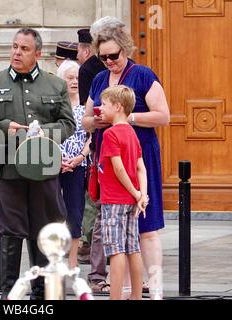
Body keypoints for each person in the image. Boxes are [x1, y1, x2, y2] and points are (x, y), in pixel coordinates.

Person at [0, 28, 75, 299]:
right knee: (10, 230)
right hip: (6, 168)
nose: (16, 52)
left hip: (42, 167)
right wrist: (4, 127)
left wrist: (45, 133)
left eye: (24, 48)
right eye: (14, 46)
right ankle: (9, 293)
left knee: (43, 229)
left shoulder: (55, 84)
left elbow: (68, 124)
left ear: (38, 54)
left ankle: (40, 294)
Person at [82, 17, 170, 299]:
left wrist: (125, 118)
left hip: (138, 155)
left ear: (125, 49)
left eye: (113, 55)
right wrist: (97, 122)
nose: (108, 61)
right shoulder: (98, 79)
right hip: (108, 160)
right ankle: (129, 289)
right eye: (103, 56)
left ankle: (153, 288)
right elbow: (85, 119)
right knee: (118, 232)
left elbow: (163, 116)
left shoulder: (144, 75)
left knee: (146, 224)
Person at [97, 85, 148, 300]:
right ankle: (136, 296)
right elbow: (141, 168)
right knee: (132, 248)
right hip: (131, 200)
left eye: (105, 105)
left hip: (114, 200)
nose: (100, 109)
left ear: (118, 107)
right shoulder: (132, 133)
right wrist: (141, 194)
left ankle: (115, 297)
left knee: (116, 250)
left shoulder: (110, 134)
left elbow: (118, 168)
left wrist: (136, 193)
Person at [77, 26, 109, 286]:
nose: (109, 61)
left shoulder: (88, 68)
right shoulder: (93, 73)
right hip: (99, 148)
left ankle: (101, 267)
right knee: (97, 208)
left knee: (97, 208)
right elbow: (87, 119)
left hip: (106, 148)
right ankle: (98, 271)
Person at [56, 60, 91, 269]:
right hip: (54, 164)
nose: (74, 82)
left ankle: (72, 261)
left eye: (77, 78)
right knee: (53, 211)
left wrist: (80, 157)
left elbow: (92, 136)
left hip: (78, 165)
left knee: (75, 212)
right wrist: (58, 159)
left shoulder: (86, 104)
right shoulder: (55, 104)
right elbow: (46, 132)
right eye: (70, 78)